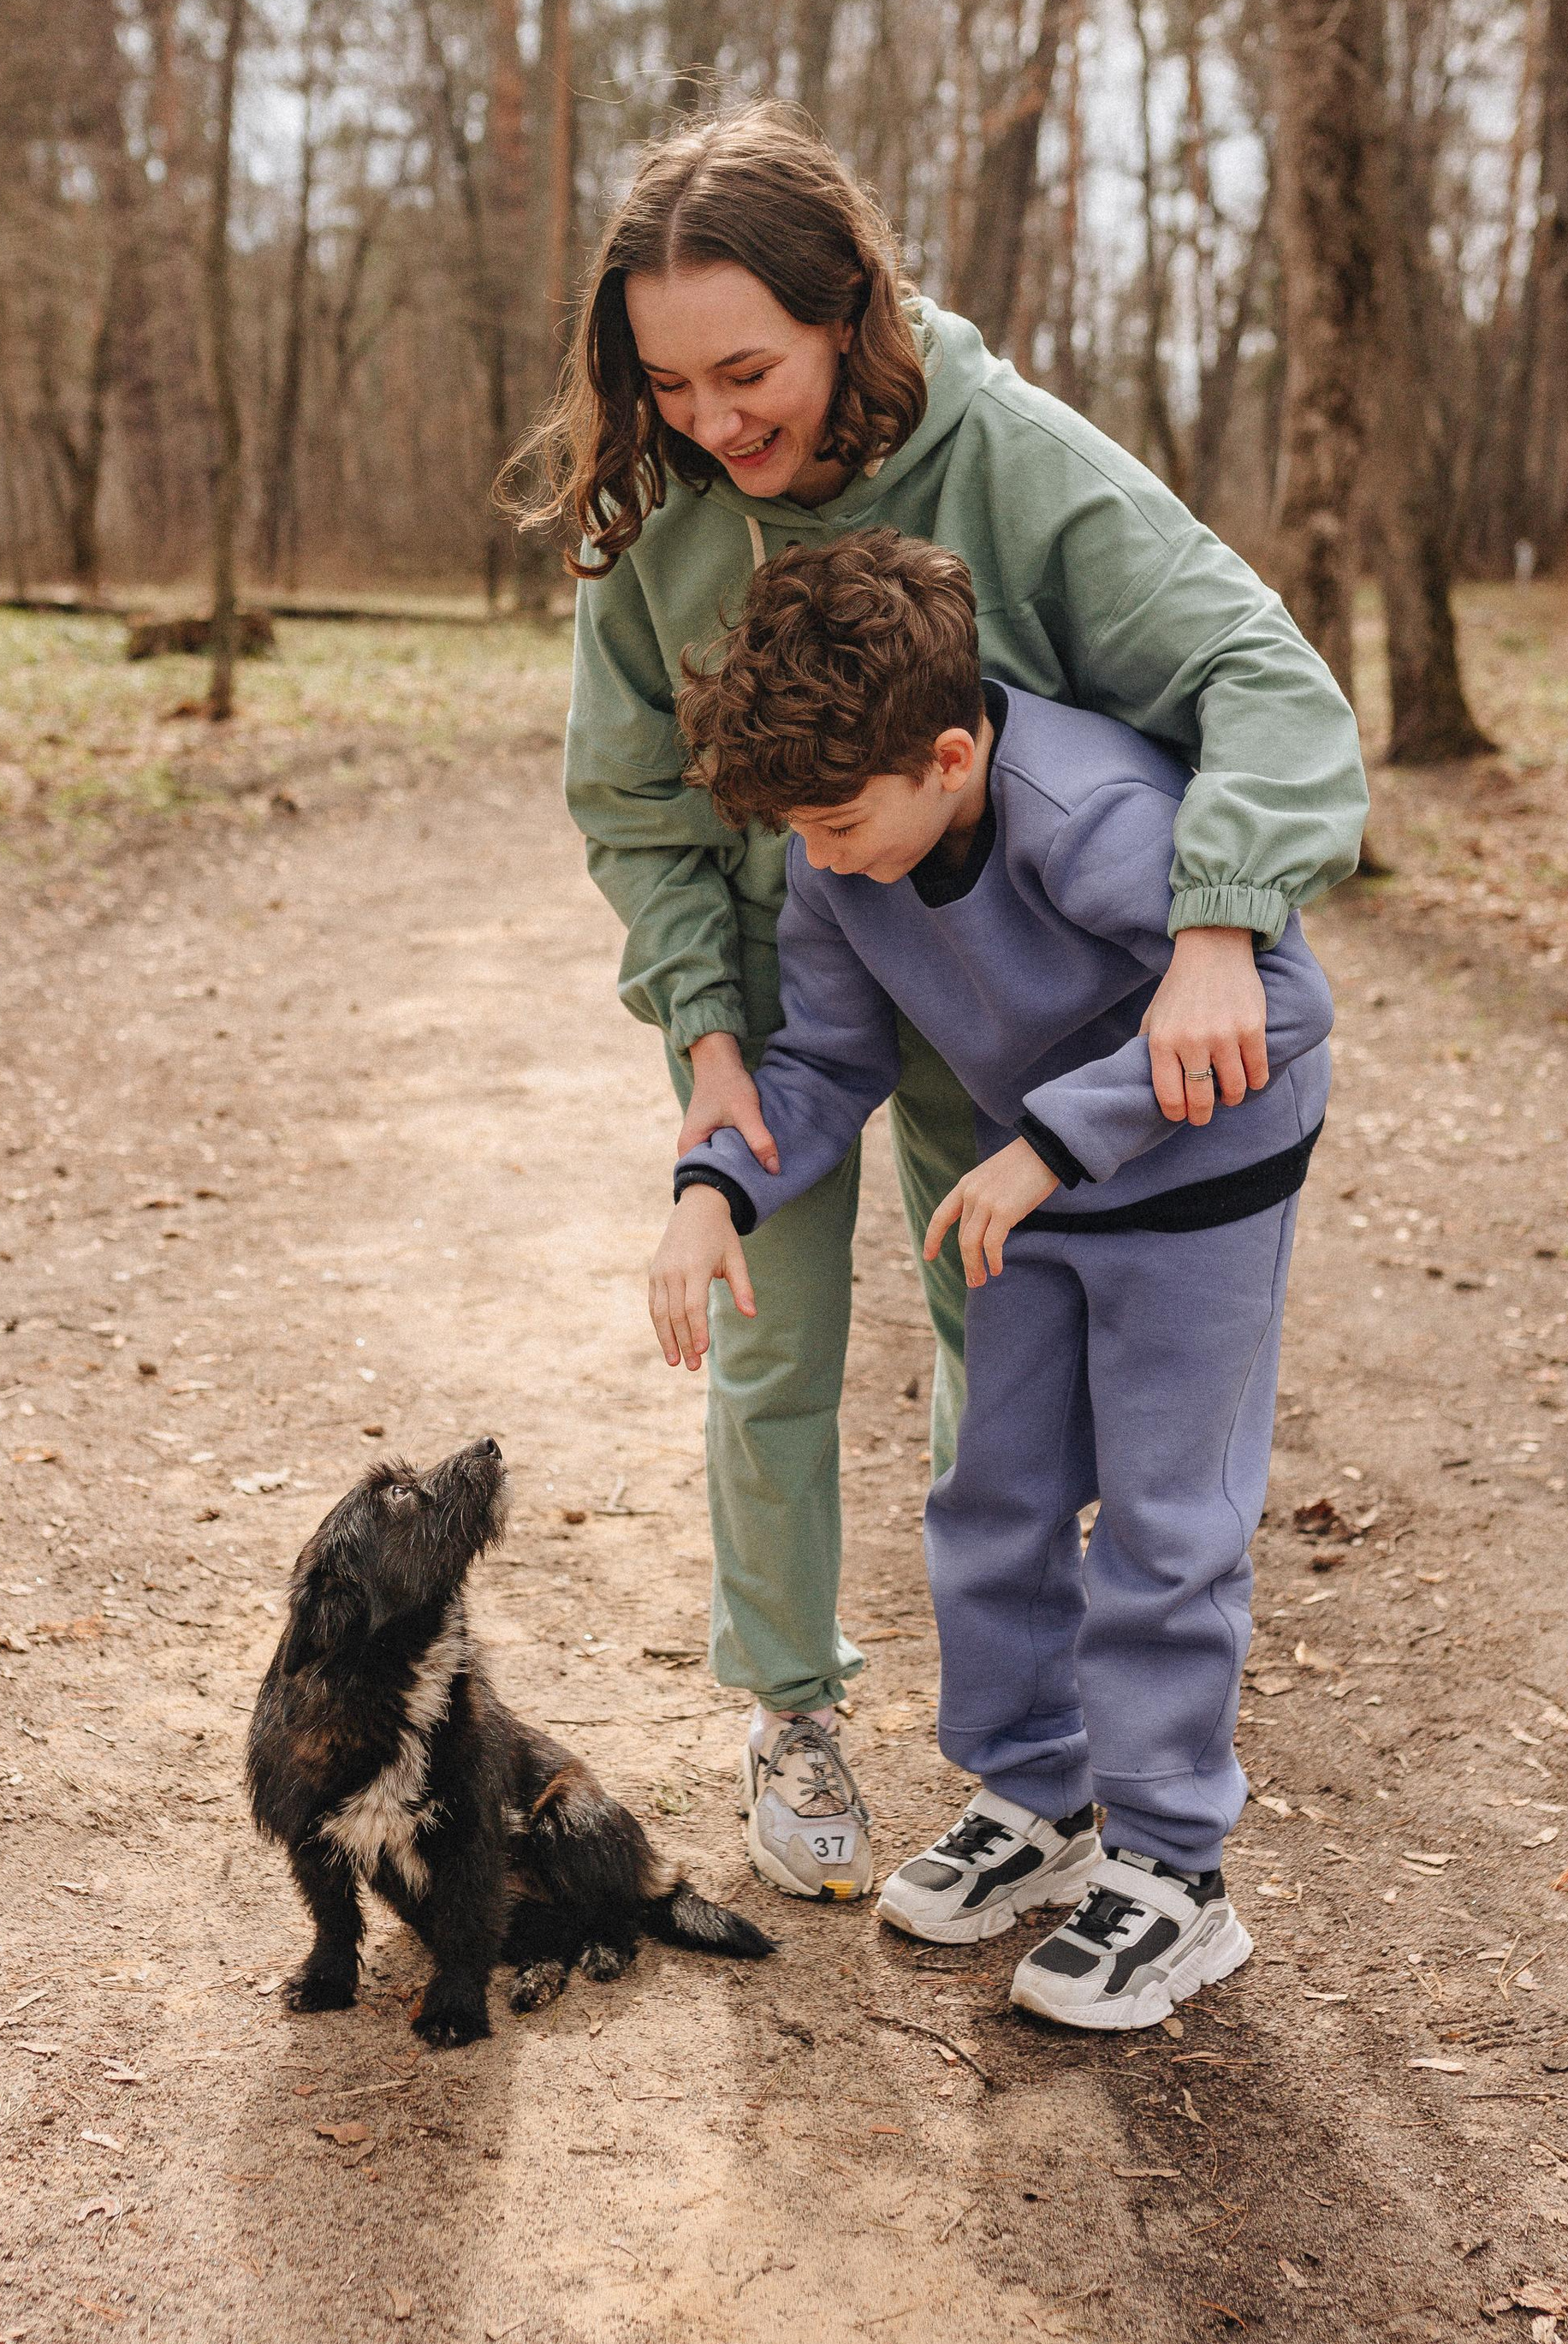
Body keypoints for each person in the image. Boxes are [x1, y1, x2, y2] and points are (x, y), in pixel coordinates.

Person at [520, 102, 1364, 1907]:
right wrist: (705, 1040)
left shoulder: (1015, 459)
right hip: (792, 982)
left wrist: (1217, 919)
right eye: (665, 385)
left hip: (1020, 989)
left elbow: (1261, 676)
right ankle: (791, 1701)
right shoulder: (657, 524)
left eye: (747, 369)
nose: (713, 421)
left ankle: (1071, 1786)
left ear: (852, 312)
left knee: (1006, 1391)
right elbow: (634, 805)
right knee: (766, 1336)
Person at [648, 532, 1333, 2028]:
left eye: (835, 823)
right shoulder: (841, 861)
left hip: (1203, 1182)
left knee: (1166, 1521)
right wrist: (715, 1190)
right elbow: (827, 1062)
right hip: (1039, 1180)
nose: (818, 860)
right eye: (802, 835)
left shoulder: (1087, 812)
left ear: (950, 756)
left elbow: (1281, 997)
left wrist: (1051, 1146)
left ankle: (1173, 1876)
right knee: (995, 1490)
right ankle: (1041, 1797)